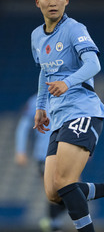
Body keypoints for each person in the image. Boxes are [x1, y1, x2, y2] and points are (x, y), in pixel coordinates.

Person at [31, 0, 104, 231]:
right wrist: (41, 106)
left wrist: (67, 83)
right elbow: (44, 73)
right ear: (38, 2)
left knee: (65, 181)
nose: (53, 2)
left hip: (82, 111)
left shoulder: (74, 29)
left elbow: (94, 64)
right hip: (58, 117)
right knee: (54, 193)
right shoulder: (37, 36)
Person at [15, 93, 66, 232]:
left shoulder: (69, 96)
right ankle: (54, 225)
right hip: (45, 155)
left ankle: (52, 222)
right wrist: (20, 151)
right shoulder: (36, 101)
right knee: (55, 190)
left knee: (72, 190)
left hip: (67, 154)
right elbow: (24, 125)